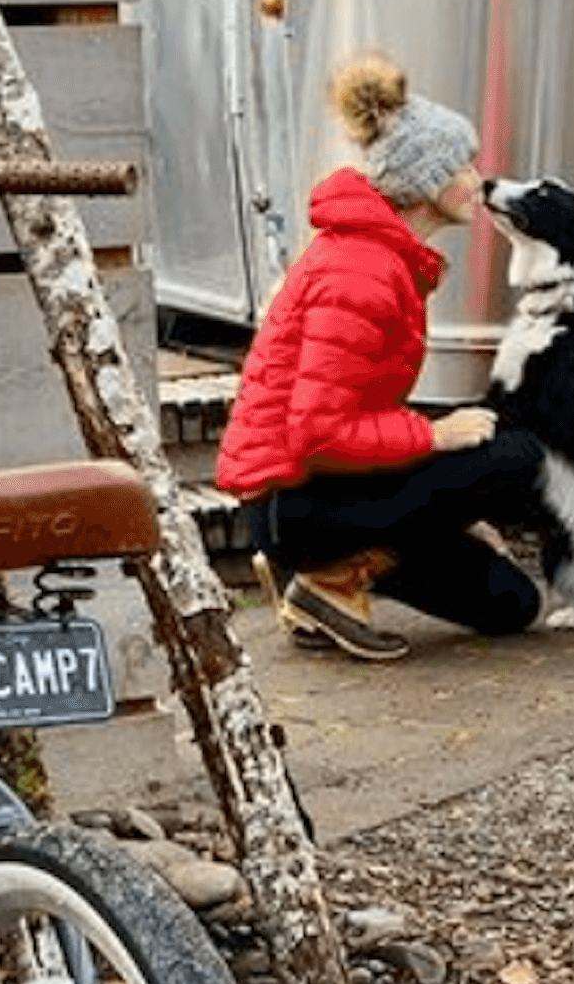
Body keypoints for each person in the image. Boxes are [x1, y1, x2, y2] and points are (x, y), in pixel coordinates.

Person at [214, 50, 544, 663]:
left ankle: (325, 586)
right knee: (515, 454)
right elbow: (318, 434)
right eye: (464, 166)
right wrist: (434, 439)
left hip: (334, 493)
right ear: (425, 182)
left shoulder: (387, 260)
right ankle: (326, 579)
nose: (477, 179)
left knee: (510, 605)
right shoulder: (360, 271)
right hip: (296, 500)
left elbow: (358, 407)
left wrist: (449, 511)